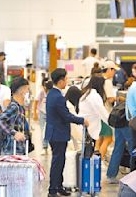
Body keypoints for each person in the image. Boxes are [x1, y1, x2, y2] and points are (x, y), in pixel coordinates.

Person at [45, 68, 89, 197]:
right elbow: (66, 116)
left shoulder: (52, 94)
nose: (67, 81)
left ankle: (58, 186)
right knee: (57, 162)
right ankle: (53, 189)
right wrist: (82, 120)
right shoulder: (57, 97)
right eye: (66, 79)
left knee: (59, 161)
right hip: (57, 134)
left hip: (55, 133)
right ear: (60, 81)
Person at [0, 77, 30, 155]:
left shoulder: (20, 107)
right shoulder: (14, 107)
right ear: (22, 90)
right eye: (27, 89)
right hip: (11, 149)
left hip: (18, 148)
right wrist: (14, 133)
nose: (28, 92)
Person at [78, 76, 110, 145]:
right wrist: (112, 123)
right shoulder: (94, 96)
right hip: (89, 126)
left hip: (86, 125)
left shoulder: (87, 93)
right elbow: (101, 111)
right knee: (88, 150)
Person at [97, 60, 116, 160]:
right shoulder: (107, 82)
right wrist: (118, 98)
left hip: (98, 113)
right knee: (108, 139)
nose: (114, 73)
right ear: (109, 70)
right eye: (113, 70)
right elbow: (110, 98)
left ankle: (96, 159)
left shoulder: (99, 80)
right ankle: (99, 160)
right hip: (106, 113)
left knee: (100, 138)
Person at [33, 77, 53, 155]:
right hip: (42, 113)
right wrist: (35, 113)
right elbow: (35, 102)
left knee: (51, 131)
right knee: (43, 131)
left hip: (51, 114)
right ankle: (44, 148)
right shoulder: (41, 92)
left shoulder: (52, 91)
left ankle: (51, 146)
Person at [65, 86, 83, 151]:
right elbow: (74, 127)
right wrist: (82, 138)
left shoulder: (66, 103)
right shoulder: (69, 107)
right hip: (67, 134)